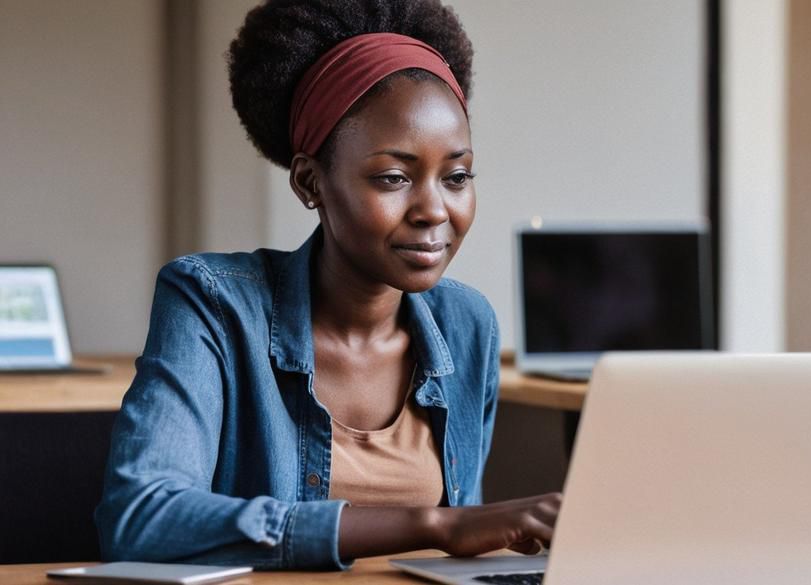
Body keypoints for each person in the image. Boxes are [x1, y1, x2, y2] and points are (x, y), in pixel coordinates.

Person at [96, 0, 560, 570]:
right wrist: (433, 523)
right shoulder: (213, 303)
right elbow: (140, 519)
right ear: (310, 182)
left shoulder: (466, 324)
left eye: (457, 176)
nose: (434, 210)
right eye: (393, 178)